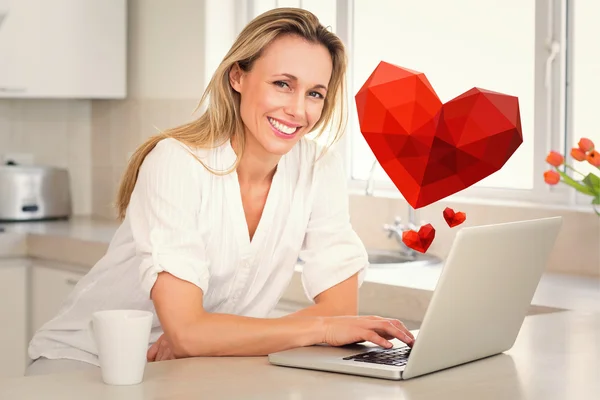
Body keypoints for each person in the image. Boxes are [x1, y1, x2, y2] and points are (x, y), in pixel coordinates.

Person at [25, 7, 415, 376]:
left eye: (315, 93)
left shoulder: (318, 168)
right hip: (87, 366)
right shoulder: (176, 162)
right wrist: (321, 329)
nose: (298, 110)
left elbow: (341, 308)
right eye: (282, 84)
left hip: (199, 368)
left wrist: (206, 339)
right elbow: (190, 332)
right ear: (237, 77)